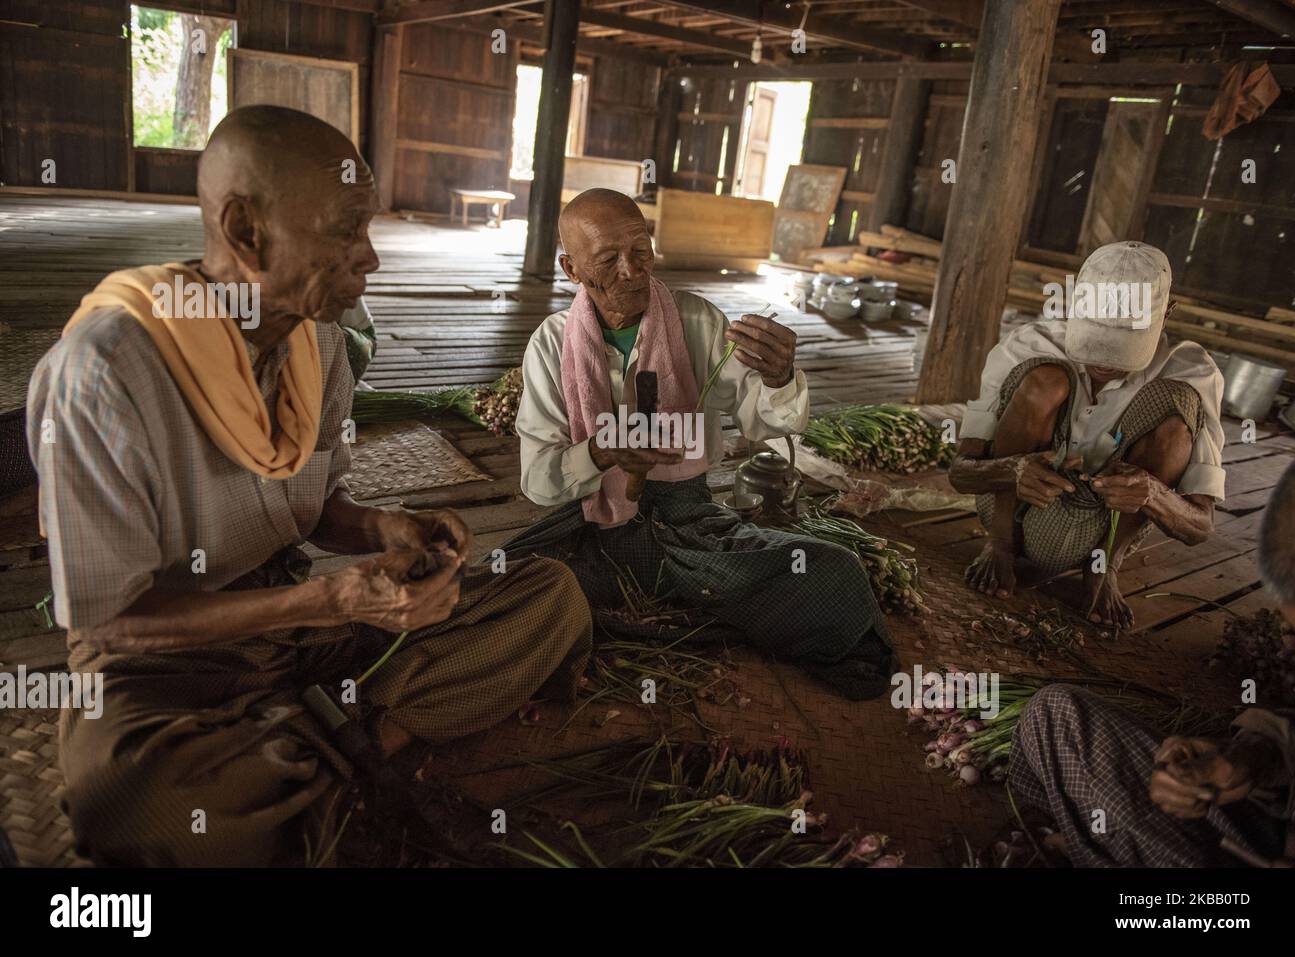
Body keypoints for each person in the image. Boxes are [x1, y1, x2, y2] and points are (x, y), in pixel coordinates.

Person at [25, 105, 591, 866]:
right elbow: (109, 625)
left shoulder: (317, 339)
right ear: (246, 231)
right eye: (347, 229)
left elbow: (319, 510)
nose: (372, 259)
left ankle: (330, 747)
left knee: (546, 593)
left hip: (296, 637)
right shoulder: (104, 371)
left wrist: (383, 529)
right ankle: (348, 743)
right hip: (164, 672)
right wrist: (325, 599)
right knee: (129, 789)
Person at [503, 188, 895, 700]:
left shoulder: (696, 322)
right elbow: (538, 481)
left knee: (833, 572)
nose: (631, 270)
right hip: (594, 527)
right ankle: (708, 607)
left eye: (640, 251)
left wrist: (779, 377)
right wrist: (602, 453)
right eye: (608, 259)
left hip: (690, 525)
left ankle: (663, 606)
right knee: (510, 579)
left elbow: (765, 425)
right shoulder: (551, 344)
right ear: (571, 269)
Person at [1007, 456, 1295, 867]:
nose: (1288, 651)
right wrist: (1246, 760)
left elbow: (1199, 525)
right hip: (1264, 823)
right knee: (1054, 714)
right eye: (1292, 630)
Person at [949, 241, 1225, 629]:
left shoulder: (1194, 371)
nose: (1101, 360)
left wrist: (1152, 491)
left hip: (1103, 525)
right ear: (1075, 301)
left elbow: (1200, 527)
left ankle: (1104, 565)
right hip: (1013, 510)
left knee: (1179, 399)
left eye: (1120, 344)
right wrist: (1012, 470)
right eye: (1094, 336)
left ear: (1167, 314)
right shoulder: (1029, 344)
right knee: (1045, 378)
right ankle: (1001, 545)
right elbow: (961, 472)